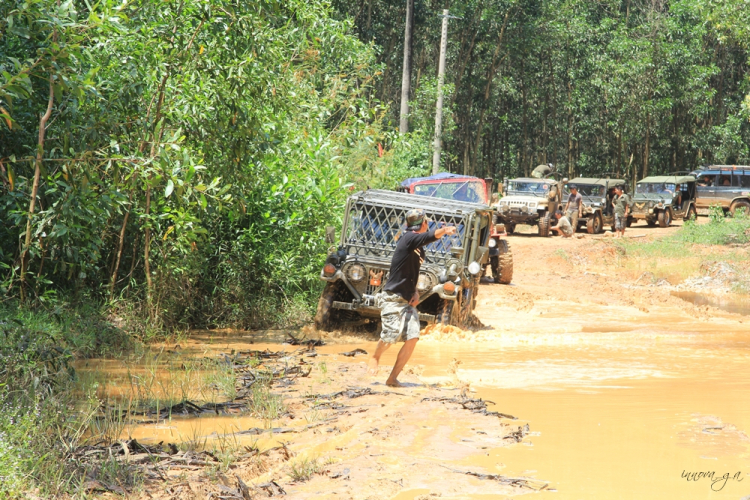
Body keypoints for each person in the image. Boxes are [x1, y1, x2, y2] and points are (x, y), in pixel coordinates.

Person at [368, 209, 457, 387]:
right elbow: (430, 236)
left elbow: (412, 273)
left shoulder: (418, 250)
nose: (428, 225)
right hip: (393, 297)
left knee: (413, 338)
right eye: (427, 223)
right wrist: (444, 231)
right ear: (422, 224)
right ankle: (374, 357)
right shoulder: (408, 238)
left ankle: (392, 378)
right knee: (390, 336)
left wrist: (415, 291)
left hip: (407, 300)